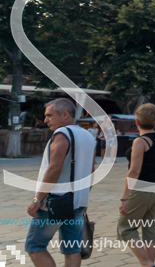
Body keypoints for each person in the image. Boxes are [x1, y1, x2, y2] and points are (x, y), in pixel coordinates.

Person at [25, 98, 96, 267]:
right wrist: (84, 197)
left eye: (49, 115)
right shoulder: (87, 135)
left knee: (35, 245)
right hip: (77, 202)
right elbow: (92, 171)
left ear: (64, 114)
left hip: (55, 202)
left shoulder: (62, 135)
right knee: (72, 249)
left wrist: (37, 199)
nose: (46, 120)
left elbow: (54, 169)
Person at [118, 103, 155, 267]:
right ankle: (149, 263)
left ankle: (147, 263)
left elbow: (134, 172)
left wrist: (124, 197)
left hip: (144, 187)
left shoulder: (140, 142)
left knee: (125, 228)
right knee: (152, 228)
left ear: (137, 121)